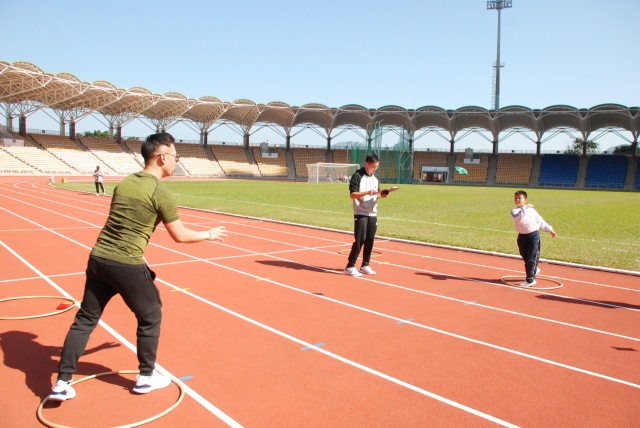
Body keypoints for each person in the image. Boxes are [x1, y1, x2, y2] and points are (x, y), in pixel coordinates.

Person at [49, 132, 228, 402]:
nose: (177, 161)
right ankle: (146, 377)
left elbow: (119, 224)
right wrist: (209, 235)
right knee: (150, 316)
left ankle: (62, 382)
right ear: (163, 157)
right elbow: (180, 235)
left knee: (85, 319)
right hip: (125, 263)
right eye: (176, 156)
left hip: (99, 258)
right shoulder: (159, 192)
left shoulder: (125, 183)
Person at [344, 153, 387, 277]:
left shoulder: (375, 178)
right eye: (374, 166)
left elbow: (376, 195)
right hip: (360, 212)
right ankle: (350, 266)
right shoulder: (357, 176)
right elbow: (352, 194)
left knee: (370, 239)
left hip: (372, 213)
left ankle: (365, 265)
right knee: (360, 239)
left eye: (377, 166)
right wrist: (367, 192)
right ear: (367, 164)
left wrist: (382, 195)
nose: (375, 168)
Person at [511, 190, 557, 287]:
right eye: (516, 198)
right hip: (522, 236)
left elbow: (540, 221)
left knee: (531, 257)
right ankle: (534, 269)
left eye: (520, 198)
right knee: (525, 255)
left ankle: (530, 280)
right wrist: (525, 207)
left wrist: (550, 229)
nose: (517, 200)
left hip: (533, 236)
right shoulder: (514, 211)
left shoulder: (531, 210)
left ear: (525, 199)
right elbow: (518, 218)